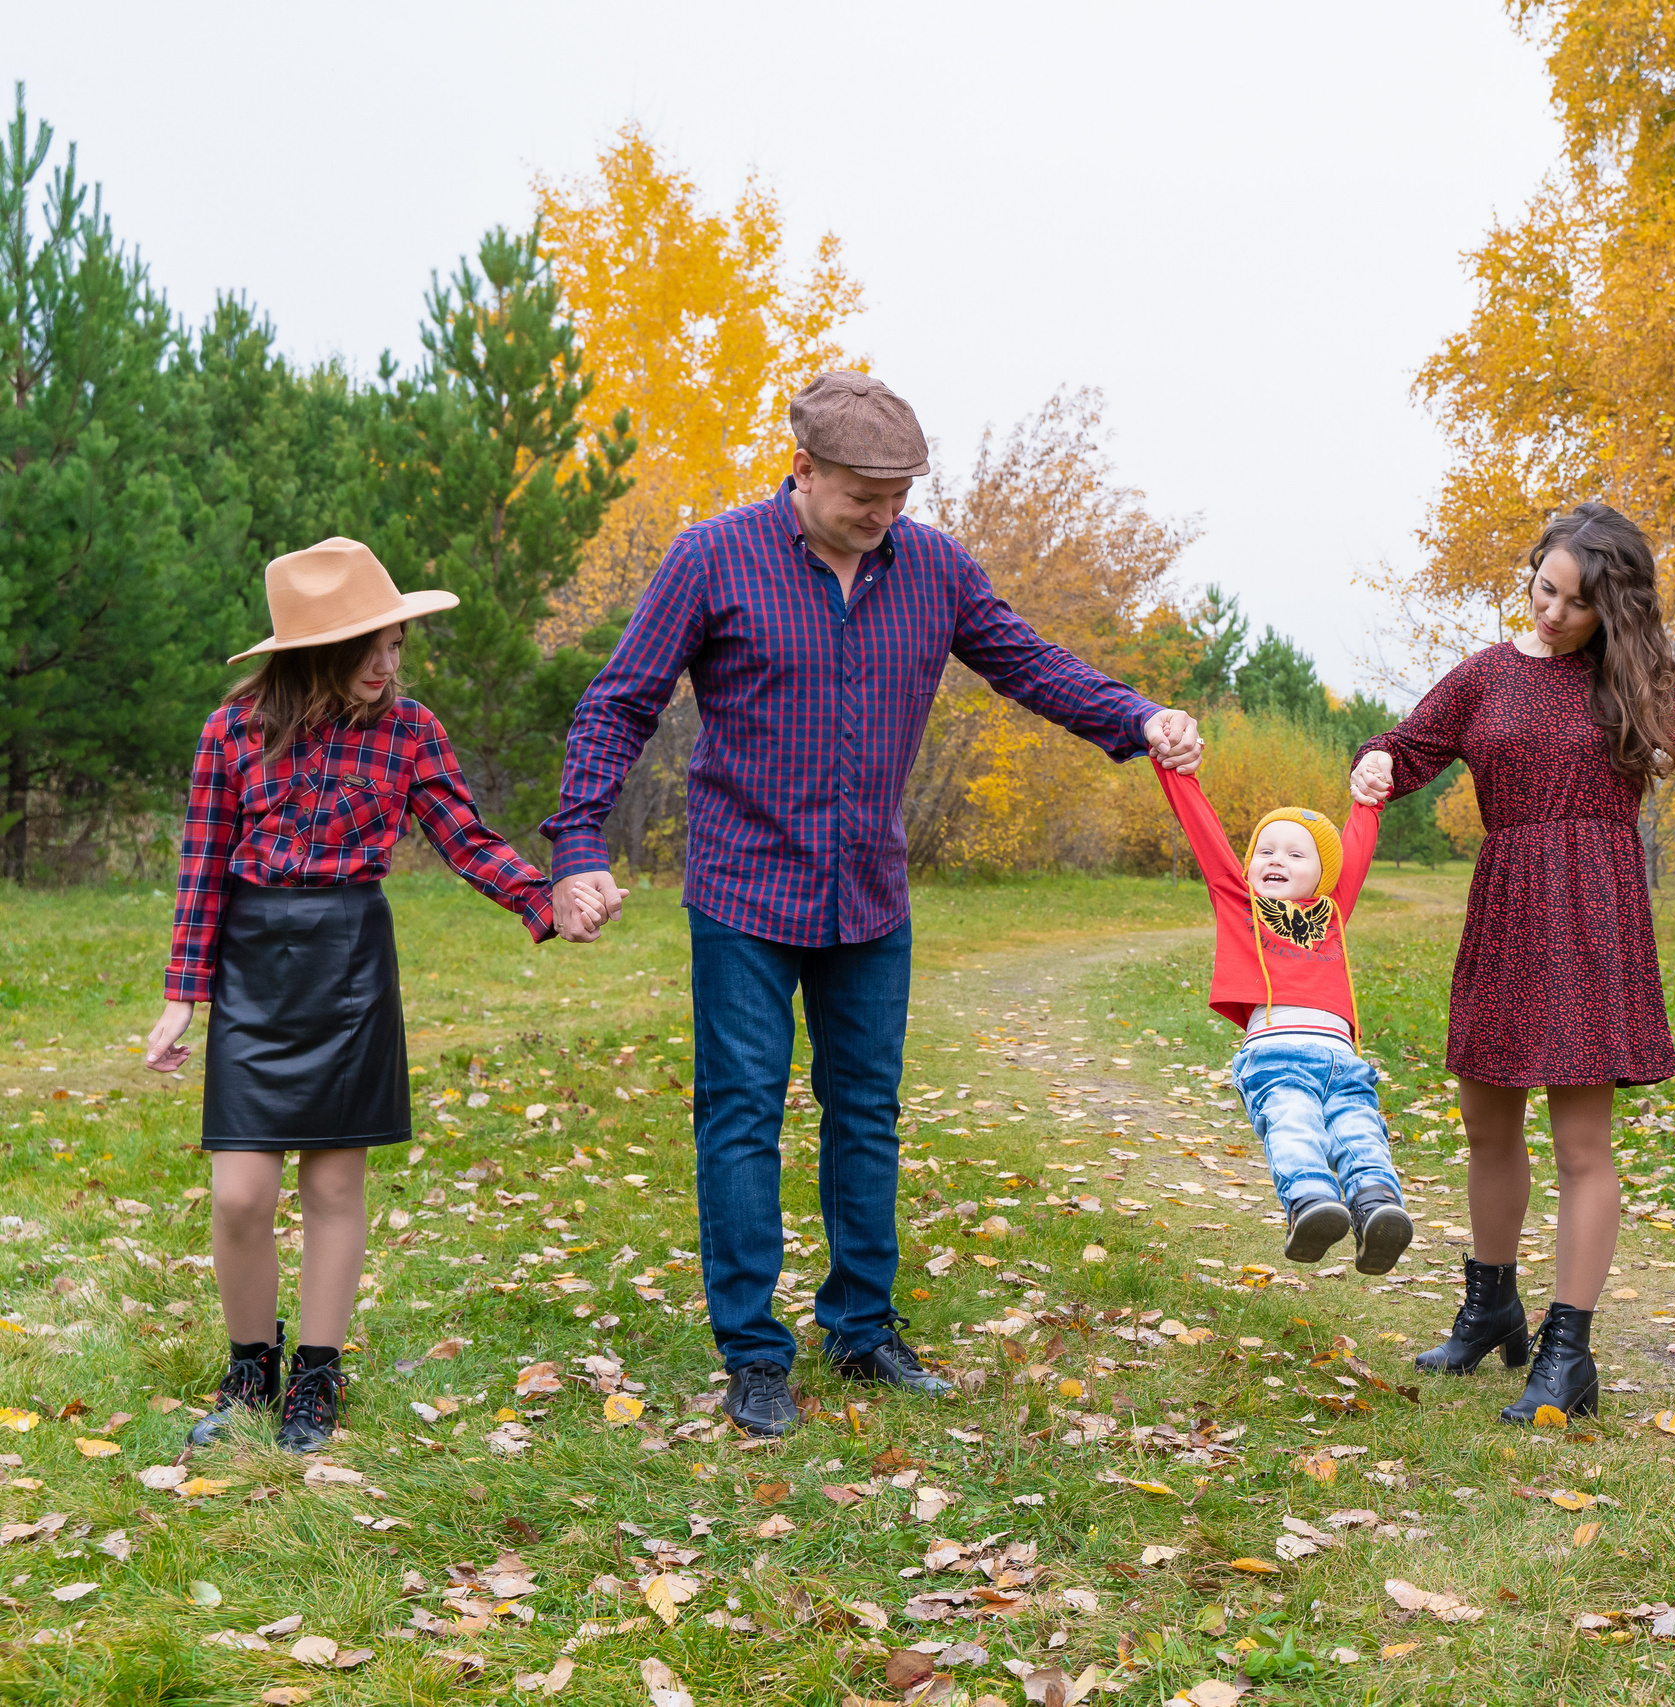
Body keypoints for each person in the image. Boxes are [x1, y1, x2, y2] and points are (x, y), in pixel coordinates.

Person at [542, 371, 1204, 1436]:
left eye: (899, 494)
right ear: (801, 468)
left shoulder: (932, 567)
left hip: (868, 895)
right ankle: (755, 1354)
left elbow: (1025, 662)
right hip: (744, 889)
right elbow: (618, 703)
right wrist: (578, 842)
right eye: (863, 493)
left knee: (866, 1114)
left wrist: (1138, 715)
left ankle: (861, 1326)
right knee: (742, 1118)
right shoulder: (712, 557)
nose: (883, 513)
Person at [1350, 501, 1675, 1422]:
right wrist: (1373, 764)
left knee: (1581, 1144)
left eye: (1575, 602)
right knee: (1486, 1121)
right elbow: (1406, 748)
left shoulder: (1633, 682)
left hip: (1593, 911)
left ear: (1611, 611)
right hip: (1507, 902)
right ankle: (1490, 1306)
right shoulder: (1483, 677)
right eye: (1543, 588)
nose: (1551, 611)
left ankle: (1568, 1352)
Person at [142, 539, 586, 1452]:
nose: (391, 662)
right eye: (374, 646)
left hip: (350, 958)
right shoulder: (231, 733)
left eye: (396, 644)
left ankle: (315, 1375)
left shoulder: (411, 730)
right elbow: (201, 872)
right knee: (240, 1193)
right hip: (254, 965)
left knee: (335, 1182)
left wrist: (545, 901)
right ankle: (248, 1372)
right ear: (318, 650)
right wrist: (182, 996)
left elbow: (466, 837)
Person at [1152, 759, 1411, 1274]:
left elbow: (1356, 848)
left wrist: (1370, 801)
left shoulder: (1332, 913)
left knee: (1360, 1131)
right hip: (1277, 1053)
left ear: (1323, 875)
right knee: (1293, 1124)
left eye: (1296, 854)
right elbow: (1203, 834)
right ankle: (1313, 1204)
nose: (1276, 859)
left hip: (1343, 1061)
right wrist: (1175, 772)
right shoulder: (1238, 902)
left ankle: (1377, 1205)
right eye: (1265, 851)